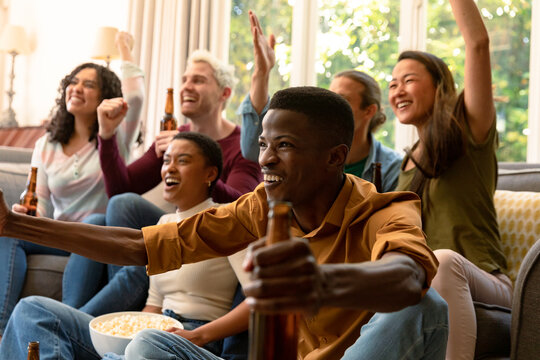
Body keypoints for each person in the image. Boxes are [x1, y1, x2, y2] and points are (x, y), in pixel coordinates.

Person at [0, 86, 448, 359]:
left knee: (427, 308)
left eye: (285, 145)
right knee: (148, 346)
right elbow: (139, 246)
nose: (266, 158)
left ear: (335, 158)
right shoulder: (260, 207)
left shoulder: (386, 210)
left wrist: (318, 281)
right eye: (265, 144)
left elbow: (408, 278)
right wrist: (16, 226)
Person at [61, 49, 262, 320]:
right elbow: (120, 188)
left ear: (224, 93)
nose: (186, 87)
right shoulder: (175, 138)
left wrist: (198, 170)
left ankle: (88, 319)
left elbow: (243, 208)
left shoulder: (242, 146)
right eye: (184, 79)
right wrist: (107, 136)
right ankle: (74, 315)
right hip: (174, 228)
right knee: (97, 220)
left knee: (124, 210)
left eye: (199, 80)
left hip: (209, 233)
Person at [0, 31, 143, 342]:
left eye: (88, 84)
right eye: (73, 82)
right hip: (59, 233)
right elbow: (42, 204)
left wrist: (124, 51)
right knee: (7, 230)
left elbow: (136, 98)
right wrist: (26, 215)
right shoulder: (47, 143)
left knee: (94, 221)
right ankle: (2, 328)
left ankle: (64, 322)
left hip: (98, 232)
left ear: (106, 96)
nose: (76, 88)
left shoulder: (115, 135)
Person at [390, 1, 511, 359]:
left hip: (486, 281)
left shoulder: (470, 128)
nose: (398, 90)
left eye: (409, 80)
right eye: (393, 83)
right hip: (421, 285)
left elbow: (478, 43)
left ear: (440, 84)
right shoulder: (407, 162)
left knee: (441, 260)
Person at [239, 11, 402, 192]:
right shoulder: (308, 151)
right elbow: (253, 149)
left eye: (342, 98)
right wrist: (261, 74)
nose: (331, 106)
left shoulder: (392, 168)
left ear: (369, 110)